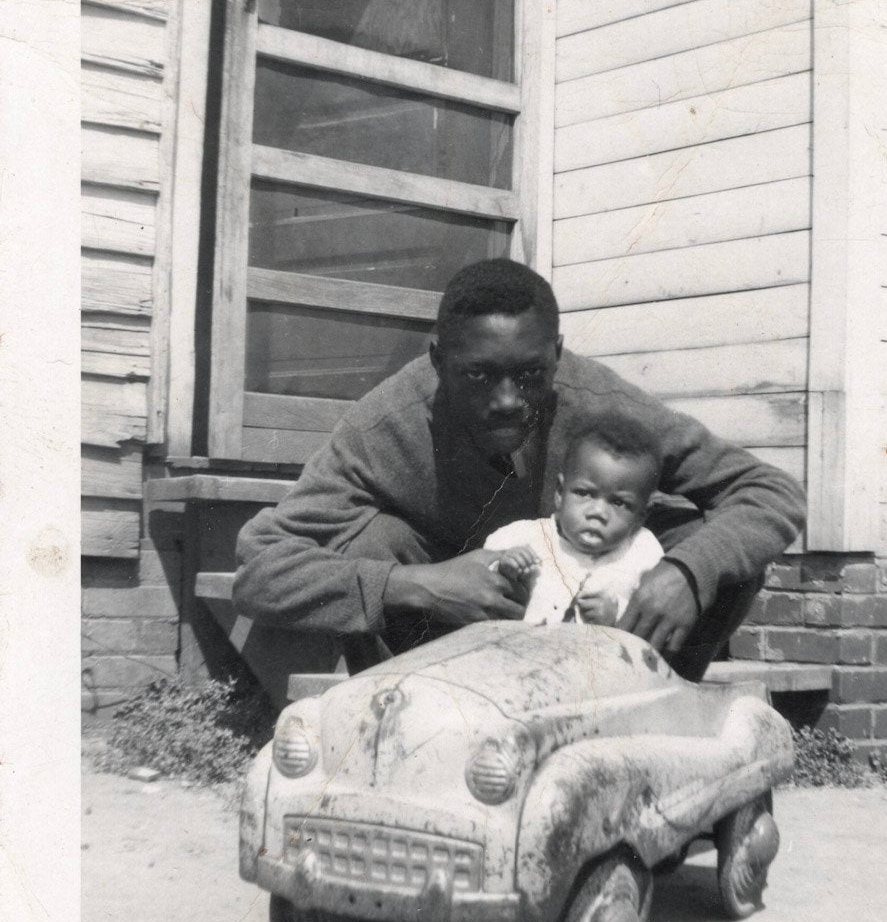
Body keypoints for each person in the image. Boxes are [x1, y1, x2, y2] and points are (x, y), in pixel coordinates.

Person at [232, 259, 805, 678]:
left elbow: (769, 491)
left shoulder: (599, 404)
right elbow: (259, 567)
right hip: (446, 652)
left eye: (529, 375)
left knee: (708, 546)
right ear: (438, 361)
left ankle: (656, 716)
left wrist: (686, 573)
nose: (507, 400)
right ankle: (407, 736)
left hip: (601, 641)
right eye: (478, 376)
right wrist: (419, 586)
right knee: (374, 540)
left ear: (556, 355)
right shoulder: (386, 424)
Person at [483, 407, 665, 627]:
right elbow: (482, 585)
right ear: (560, 492)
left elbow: (651, 616)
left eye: (619, 503)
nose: (598, 512)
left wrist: (615, 616)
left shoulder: (642, 553)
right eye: (584, 493)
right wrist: (506, 568)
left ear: (641, 515)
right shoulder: (526, 538)